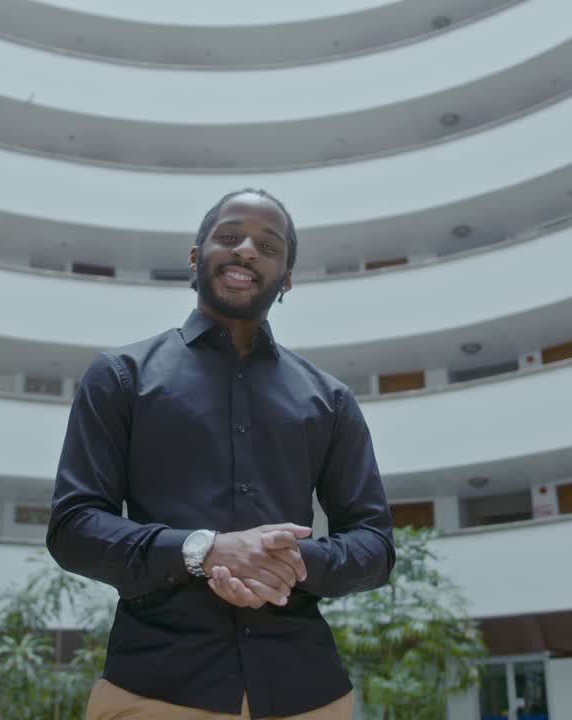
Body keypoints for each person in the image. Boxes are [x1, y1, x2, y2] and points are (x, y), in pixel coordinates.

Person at [47, 189, 396, 719]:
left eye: (269, 246)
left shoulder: (330, 400)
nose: (247, 251)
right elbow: (73, 528)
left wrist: (291, 564)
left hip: (309, 694)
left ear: (287, 279)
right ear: (196, 256)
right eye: (229, 237)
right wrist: (205, 550)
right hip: (155, 689)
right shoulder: (121, 377)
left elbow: (375, 545)